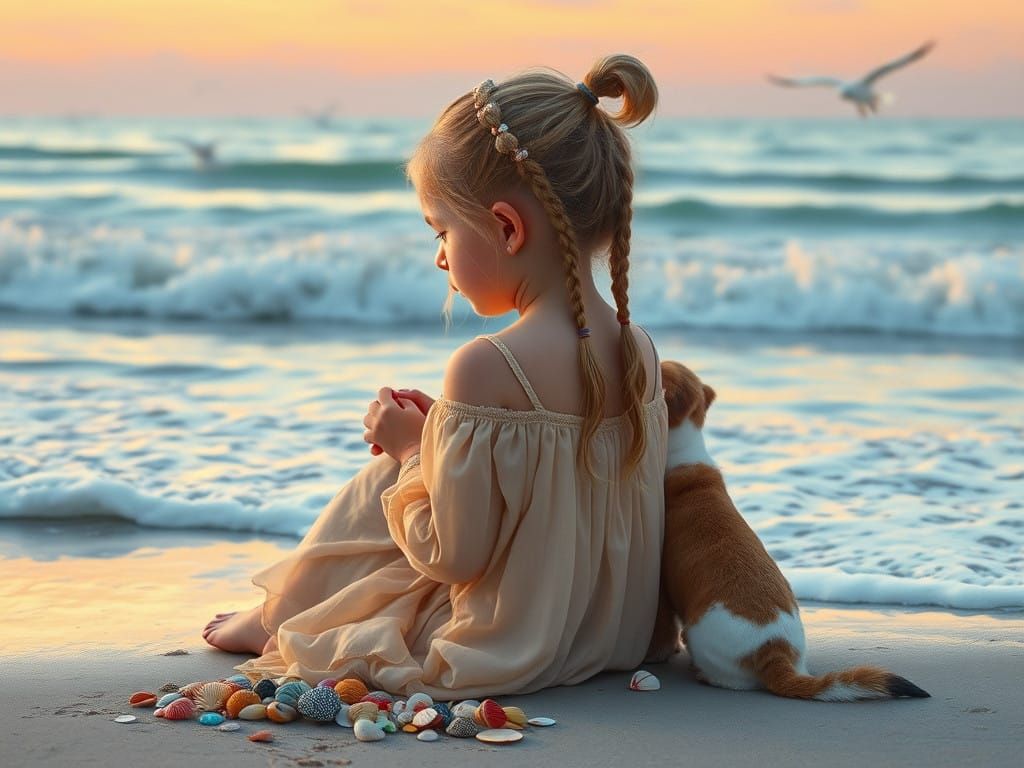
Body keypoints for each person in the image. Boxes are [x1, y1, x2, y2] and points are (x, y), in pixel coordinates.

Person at [203, 53, 669, 699]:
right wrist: (442, 444)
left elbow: (454, 555)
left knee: (383, 480)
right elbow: (574, 507)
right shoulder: (639, 348)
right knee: (418, 460)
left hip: (509, 645)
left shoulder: (485, 365)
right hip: (612, 633)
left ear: (506, 228)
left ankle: (278, 619)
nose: (440, 256)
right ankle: (281, 609)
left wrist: (409, 453)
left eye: (442, 229)